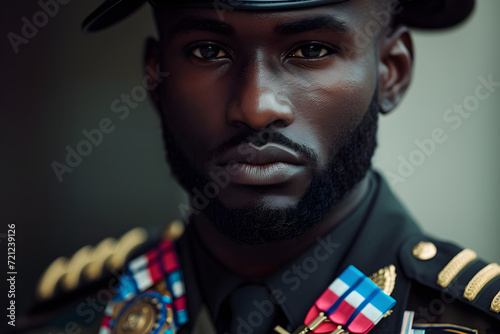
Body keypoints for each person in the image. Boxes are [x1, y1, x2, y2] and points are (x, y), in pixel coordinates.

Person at [12, 0, 500, 333]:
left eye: (311, 50)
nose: (256, 106)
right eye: (209, 51)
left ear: (391, 73)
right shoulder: (74, 314)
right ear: (155, 78)